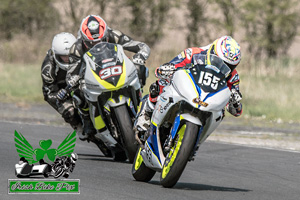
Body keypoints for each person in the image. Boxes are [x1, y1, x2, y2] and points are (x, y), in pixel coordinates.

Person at [134, 36, 243, 138]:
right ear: (212, 51)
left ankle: (198, 138)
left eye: (230, 66)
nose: (224, 67)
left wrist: (235, 102)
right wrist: (168, 68)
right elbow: (165, 68)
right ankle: (147, 112)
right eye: (220, 61)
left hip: (207, 105)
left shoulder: (233, 76)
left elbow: (236, 111)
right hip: (186, 90)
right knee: (161, 83)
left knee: (221, 112)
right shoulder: (193, 53)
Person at [61, 15, 151, 138]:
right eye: (91, 43)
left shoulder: (114, 35)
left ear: (106, 34)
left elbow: (141, 46)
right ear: (83, 39)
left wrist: (139, 57)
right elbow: (71, 74)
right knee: (77, 93)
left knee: (141, 69)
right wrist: (74, 79)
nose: (97, 44)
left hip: (116, 67)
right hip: (92, 74)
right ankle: (87, 120)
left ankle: (141, 100)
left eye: (101, 40)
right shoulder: (76, 49)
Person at [41, 32, 83, 135]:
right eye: (63, 56)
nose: (67, 59)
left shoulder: (83, 53)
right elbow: (48, 93)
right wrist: (58, 95)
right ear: (56, 54)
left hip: (82, 85)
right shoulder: (48, 68)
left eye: (70, 55)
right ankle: (79, 127)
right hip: (62, 92)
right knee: (70, 112)